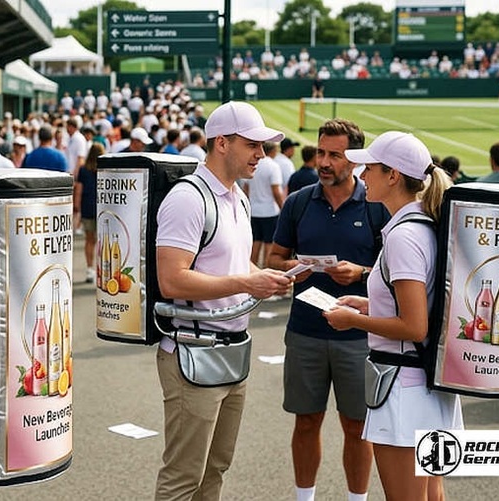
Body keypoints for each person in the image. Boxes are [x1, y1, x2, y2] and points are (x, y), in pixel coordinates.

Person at [153, 101, 292, 500]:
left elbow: (232, 263)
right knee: (184, 477)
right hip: (192, 350)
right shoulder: (189, 198)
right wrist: (247, 283)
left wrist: (263, 277)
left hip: (230, 349)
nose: (261, 156)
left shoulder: (238, 197)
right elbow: (172, 279)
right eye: (252, 145)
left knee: (215, 469)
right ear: (221, 144)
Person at [322, 131, 461, 501]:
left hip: (404, 389)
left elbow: (414, 325)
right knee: (432, 494)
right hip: (425, 387)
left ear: (393, 175)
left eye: (369, 167)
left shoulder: (403, 236)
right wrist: (369, 306)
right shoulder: (424, 226)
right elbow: (420, 309)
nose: (362, 174)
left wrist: (353, 320)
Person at [268, 119, 385, 501]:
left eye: (335, 155)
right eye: (321, 152)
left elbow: (398, 273)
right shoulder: (299, 201)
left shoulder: (377, 206)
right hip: (305, 330)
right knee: (306, 422)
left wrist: (362, 272)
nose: (324, 161)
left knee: (356, 426)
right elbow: (275, 256)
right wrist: (293, 269)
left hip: (359, 336)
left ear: (354, 160)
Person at [245, 142, 284, 266]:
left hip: (254, 210)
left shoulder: (252, 163)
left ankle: (251, 270)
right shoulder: (273, 166)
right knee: (269, 243)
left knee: (255, 241)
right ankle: (266, 270)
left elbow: (246, 189)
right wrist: (283, 208)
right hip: (269, 211)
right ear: (272, 150)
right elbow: (276, 191)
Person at [76, 142, 104, 283]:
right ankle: (102, 269)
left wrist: (77, 207)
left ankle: (89, 269)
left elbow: (79, 189)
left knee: (89, 240)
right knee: (102, 242)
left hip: (87, 207)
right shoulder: (104, 170)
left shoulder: (83, 170)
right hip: (102, 208)